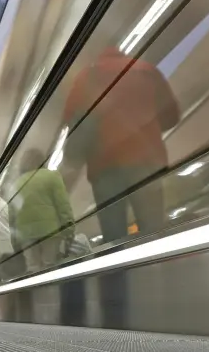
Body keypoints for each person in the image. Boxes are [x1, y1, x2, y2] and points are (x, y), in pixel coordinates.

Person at [63, 46, 180, 244]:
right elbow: (171, 116)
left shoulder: (86, 77)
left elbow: (70, 119)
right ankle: (158, 270)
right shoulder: (147, 71)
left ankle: (119, 273)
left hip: (105, 167)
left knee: (114, 238)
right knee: (153, 233)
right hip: (147, 163)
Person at [10, 148, 74, 273]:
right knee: (50, 266)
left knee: (33, 268)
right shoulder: (51, 177)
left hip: (26, 235)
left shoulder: (16, 185)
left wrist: (14, 242)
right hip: (50, 231)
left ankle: (38, 292)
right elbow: (63, 206)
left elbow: (12, 217)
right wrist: (69, 229)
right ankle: (52, 292)